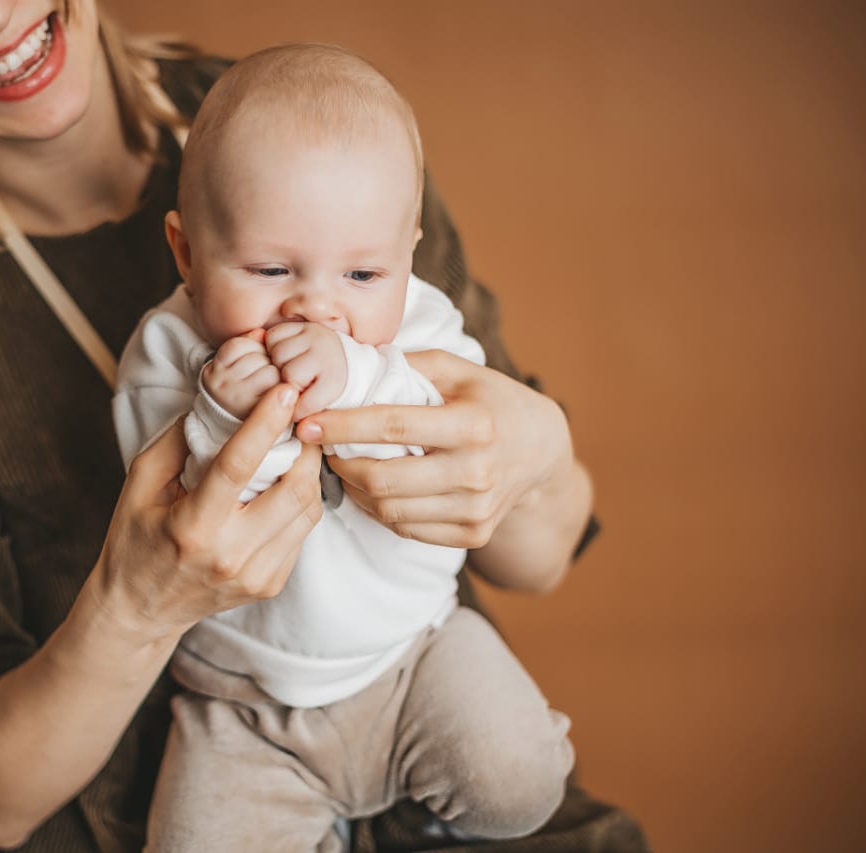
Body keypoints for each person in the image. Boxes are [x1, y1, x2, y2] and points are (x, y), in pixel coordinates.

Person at [0, 1, 648, 851]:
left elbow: (540, 556)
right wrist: (140, 603)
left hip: (433, 734)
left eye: (357, 275)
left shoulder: (319, 127)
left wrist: (539, 456)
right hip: (178, 784)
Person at [113, 44, 575, 851]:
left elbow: (453, 435)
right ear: (187, 254)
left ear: (408, 254)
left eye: (363, 275)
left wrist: (359, 374)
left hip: (417, 652)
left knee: (520, 780)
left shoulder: (424, 325)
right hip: (243, 700)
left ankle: (429, 806)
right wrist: (227, 412)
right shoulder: (165, 355)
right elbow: (181, 508)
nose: (317, 307)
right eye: (269, 267)